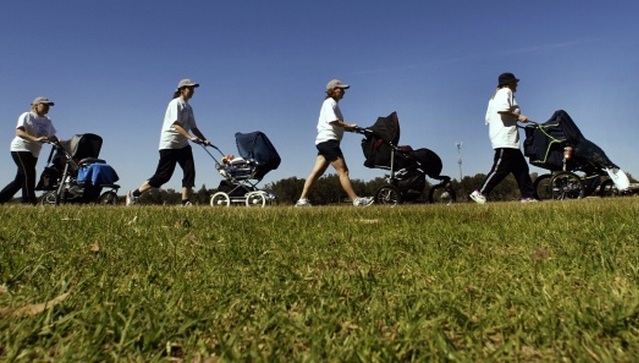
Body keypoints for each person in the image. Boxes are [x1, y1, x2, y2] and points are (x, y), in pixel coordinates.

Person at [126, 79, 212, 206]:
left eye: (193, 89)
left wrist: (204, 139)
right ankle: (134, 194)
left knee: (190, 172)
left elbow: (194, 127)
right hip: (169, 144)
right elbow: (176, 125)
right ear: (182, 90)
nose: (193, 91)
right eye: (190, 88)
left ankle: (185, 202)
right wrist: (190, 137)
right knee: (163, 176)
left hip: (183, 145)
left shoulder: (189, 108)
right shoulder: (175, 104)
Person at [296, 79, 374, 207]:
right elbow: (333, 121)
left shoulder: (332, 104)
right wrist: (348, 125)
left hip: (324, 142)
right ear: (333, 90)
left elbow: (336, 125)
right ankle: (356, 200)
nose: (343, 91)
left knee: (316, 173)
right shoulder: (329, 103)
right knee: (343, 171)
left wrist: (352, 129)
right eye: (341, 89)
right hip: (329, 142)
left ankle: (302, 200)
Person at [470, 72, 536, 204]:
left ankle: (527, 196)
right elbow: (502, 109)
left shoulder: (495, 96)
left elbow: (489, 118)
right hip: (505, 139)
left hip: (508, 139)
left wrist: (512, 120)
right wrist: (519, 117)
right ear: (508, 83)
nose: (516, 84)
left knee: (522, 169)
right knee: (500, 169)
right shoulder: (505, 91)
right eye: (515, 82)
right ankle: (480, 192)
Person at [0, 97, 59, 205]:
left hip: (34, 151)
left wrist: (61, 142)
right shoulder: (27, 116)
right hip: (20, 148)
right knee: (29, 174)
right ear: (36, 105)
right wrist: (36, 139)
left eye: (48, 106)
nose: (47, 107)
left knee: (20, 180)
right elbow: (19, 132)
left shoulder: (47, 120)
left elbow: (52, 135)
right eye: (44, 105)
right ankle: (29, 202)